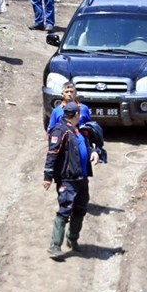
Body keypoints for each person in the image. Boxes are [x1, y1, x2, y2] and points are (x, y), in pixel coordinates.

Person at [43, 103, 103, 260]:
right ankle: (55, 245)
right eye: (80, 113)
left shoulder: (78, 130)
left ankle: (73, 238)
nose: (81, 115)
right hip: (67, 178)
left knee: (81, 208)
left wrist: (94, 153)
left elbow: (87, 147)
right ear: (75, 114)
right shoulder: (60, 130)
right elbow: (52, 154)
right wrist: (48, 177)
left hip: (81, 177)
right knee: (64, 209)